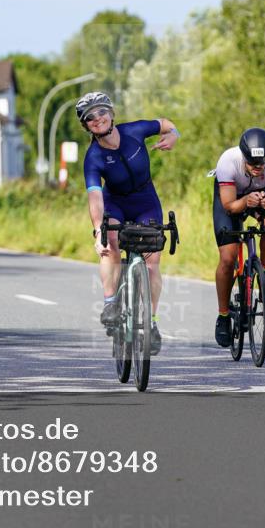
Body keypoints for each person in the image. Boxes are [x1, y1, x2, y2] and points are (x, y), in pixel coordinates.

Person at [81, 91, 180, 356]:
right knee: (110, 240)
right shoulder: (93, 157)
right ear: (86, 126)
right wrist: (98, 229)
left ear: (111, 113)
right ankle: (111, 302)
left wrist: (173, 135)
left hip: (146, 200)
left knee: (152, 260)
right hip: (115, 203)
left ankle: (152, 322)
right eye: (89, 118)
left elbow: (166, 124)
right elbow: (95, 197)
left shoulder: (134, 131)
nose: (97, 119)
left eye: (101, 112)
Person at [212, 127, 265, 348]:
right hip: (230, 199)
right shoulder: (228, 161)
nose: (257, 168)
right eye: (252, 164)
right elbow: (229, 206)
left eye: (261, 164)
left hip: (258, 197)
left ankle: (264, 272)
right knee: (228, 258)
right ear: (243, 157)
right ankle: (223, 316)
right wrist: (246, 202)